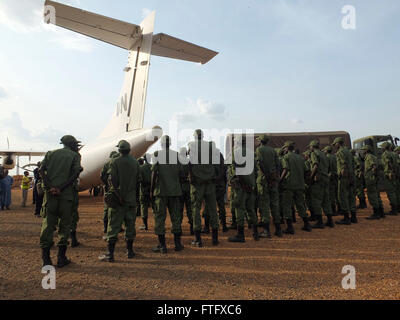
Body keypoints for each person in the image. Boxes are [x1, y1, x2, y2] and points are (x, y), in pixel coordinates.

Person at [39, 135, 82, 267]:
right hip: (66, 196)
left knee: (48, 225)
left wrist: (51, 187)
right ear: (71, 144)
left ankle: (46, 260)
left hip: (50, 195)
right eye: (75, 144)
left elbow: (41, 170)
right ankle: (61, 258)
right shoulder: (75, 156)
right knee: (65, 226)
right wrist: (61, 188)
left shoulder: (50, 154)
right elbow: (75, 174)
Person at [99, 140, 139, 262]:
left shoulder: (114, 161)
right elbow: (138, 181)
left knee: (113, 227)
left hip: (118, 200)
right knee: (130, 226)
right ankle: (130, 251)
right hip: (131, 199)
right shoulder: (135, 162)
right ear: (129, 150)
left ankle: (110, 254)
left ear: (119, 150)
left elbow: (112, 180)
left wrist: (118, 195)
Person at [150, 135, 183, 253]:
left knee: (159, 218)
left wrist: (151, 190)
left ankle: (162, 246)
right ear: (170, 143)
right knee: (176, 218)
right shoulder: (177, 155)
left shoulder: (157, 154)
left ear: (162, 144)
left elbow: (154, 174)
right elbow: (181, 173)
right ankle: (178, 244)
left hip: (161, 191)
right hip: (174, 191)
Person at [188, 129, 219, 247]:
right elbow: (216, 162)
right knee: (212, 209)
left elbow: (190, 162)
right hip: (210, 182)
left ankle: (198, 240)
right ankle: (215, 239)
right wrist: (215, 175)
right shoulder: (210, 146)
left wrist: (191, 175)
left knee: (196, 209)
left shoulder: (192, 145)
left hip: (197, 183)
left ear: (195, 136)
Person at [228, 136, 259, 242]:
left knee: (239, 209)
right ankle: (255, 233)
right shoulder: (251, 153)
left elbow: (237, 169)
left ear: (237, 142)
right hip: (250, 185)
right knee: (250, 209)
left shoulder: (236, 152)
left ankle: (240, 235)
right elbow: (255, 170)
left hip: (241, 186)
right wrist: (251, 183)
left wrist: (243, 182)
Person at [280, 141, 311, 234]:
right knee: (300, 205)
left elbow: (286, 169)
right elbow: (307, 171)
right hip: (300, 185)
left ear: (286, 148)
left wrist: (280, 180)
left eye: (284, 148)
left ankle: (290, 228)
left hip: (289, 185)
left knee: (287, 206)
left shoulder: (286, 157)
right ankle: (307, 224)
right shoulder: (300, 158)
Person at [255, 135, 282, 238]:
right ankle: (278, 230)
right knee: (275, 204)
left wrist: (267, 177)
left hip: (264, 181)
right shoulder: (273, 150)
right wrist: (275, 177)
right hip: (273, 180)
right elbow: (278, 164)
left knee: (264, 204)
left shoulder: (259, 150)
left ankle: (266, 231)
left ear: (261, 141)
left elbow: (260, 164)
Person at [308, 140, 334, 228]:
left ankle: (319, 222)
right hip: (325, 179)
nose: (310, 148)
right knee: (326, 200)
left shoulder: (313, 154)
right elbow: (328, 167)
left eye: (310, 146)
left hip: (318, 180)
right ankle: (330, 221)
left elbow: (315, 166)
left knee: (316, 200)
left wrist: (311, 178)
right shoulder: (324, 154)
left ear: (312, 146)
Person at [333, 137, 357, 225]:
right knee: (351, 196)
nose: (335, 146)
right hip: (351, 176)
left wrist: (344, 175)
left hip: (344, 177)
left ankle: (346, 218)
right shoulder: (348, 152)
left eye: (335, 144)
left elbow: (343, 165)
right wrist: (351, 177)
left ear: (338, 143)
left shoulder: (341, 152)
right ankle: (353, 217)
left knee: (343, 196)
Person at [361, 145, 385, 219]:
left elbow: (374, 166)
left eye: (363, 150)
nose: (362, 151)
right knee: (377, 195)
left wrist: (373, 175)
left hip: (371, 179)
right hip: (374, 178)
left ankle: (376, 213)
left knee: (372, 195)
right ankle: (381, 212)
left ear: (366, 150)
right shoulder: (374, 156)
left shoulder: (369, 157)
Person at [100, 151, 120, 240]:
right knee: (119, 209)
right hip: (120, 190)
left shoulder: (107, 164)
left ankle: (106, 229)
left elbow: (101, 176)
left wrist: (106, 185)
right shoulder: (120, 163)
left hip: (110, 190)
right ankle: (118, 228)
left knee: (107, 209)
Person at [178, 147, 194, 235]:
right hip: (189, 187)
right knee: (190, 209)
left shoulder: (178, 162)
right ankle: (192, 228)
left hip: (180, 188)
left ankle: (179, 229)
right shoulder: (189, 162)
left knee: (179, 209)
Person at [381, 142, 398, 215]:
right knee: (394, 192)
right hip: (394, 175)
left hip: (388, 175)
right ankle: (396, 208)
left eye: (382, 147)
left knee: (390, 193)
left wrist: (389, 172)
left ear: (385, 147)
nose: (381, 148)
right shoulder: (394, 154)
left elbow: (388, 164)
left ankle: (394, 210)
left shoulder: (385, 154)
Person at [323, 146, 339, 216]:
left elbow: (327, 167)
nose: (324, 152)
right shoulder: (335, 157)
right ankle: (340, 209)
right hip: (336, 176)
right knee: (337, 193)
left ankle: (333, 210)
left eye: (324, 150)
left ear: (326, 151)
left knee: (331, 194)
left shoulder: (327, 158)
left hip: (330, 177)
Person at [138, 156, 152, 231]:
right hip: (153, 189)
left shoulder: (141, 168)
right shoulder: (153, 167)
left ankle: (145, 225)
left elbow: (139, 179)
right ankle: (159, 224)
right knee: (155, 207)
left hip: (144, 189)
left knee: (144, 206)